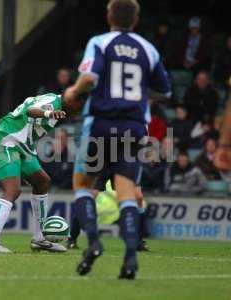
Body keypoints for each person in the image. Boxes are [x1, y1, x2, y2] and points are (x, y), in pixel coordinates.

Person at [63, 0, 171, 279]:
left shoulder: (100, 42)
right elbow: (166, 91)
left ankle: (94, 243)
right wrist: (139, 96)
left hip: (102, 123)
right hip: (135, 127)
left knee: (83, 185)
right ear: (135, 19)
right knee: (127, 194)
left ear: (109, 16)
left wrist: (73, 92)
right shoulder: (149, 49)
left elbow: (88, 78)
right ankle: (131, 259)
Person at [0, 93, 83, 253]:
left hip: (23, 145)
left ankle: (39, 238)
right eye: (78, 107)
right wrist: (48, 113)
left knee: (42, 182)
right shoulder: (52, 104)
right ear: (72, 100)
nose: (78, 112)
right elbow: (30, 111)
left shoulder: (57, 102)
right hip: (5, 140)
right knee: (12, 190)